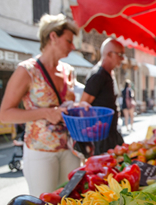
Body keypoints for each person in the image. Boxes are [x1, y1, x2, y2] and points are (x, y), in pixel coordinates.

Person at [0, 14, 89, 196]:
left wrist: (79, 108)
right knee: (44, 199)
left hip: (70, 148)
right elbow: (5, 114)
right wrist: (46, 113)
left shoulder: (68, 71)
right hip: (40, 149)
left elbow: (66, 105)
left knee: (72, 198)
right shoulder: (27, 70)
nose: (73, 47)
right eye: (69, 41)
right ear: (53, 37)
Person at [81, 38, 125, 155]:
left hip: (111, 134)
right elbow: (83, 105)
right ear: (109, 54)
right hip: (101, 139)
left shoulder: (110, 73)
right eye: (120, 54)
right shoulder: (98, 75)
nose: (123, 58)